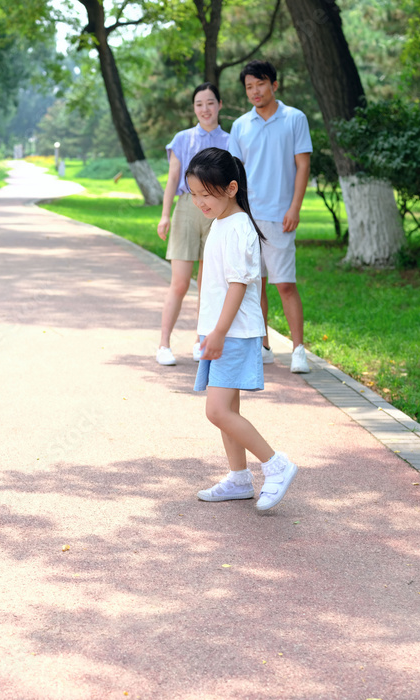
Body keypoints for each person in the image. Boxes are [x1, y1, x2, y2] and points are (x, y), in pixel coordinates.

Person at [187, 147, 298, 509]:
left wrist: (218, 332)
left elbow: (238, 285)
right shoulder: (220, 223)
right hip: (220, 329)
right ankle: (239, 478)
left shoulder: (238, 227)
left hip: (234, 332)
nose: (200, 202)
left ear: (231, 188)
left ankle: (276, 465)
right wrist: (207, 328)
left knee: (216, 411)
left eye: (206, 194)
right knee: (228, 409)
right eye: (194, 195)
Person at [228, 60, 312, 374]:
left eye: (260, 84)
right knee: (255, 286)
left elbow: (302, 165)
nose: (255, 91)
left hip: (280, 216)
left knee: (285, 285)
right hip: (248, 216)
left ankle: (299, 349)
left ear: (274, 85)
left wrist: (295, 208)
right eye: (249, 86)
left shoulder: (294, 118)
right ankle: (263, 347)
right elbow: (234, 171)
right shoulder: (240, 125)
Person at [155, 82, 230, 366]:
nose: (205, 109)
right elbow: (173, 179)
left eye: (210, 103)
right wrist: (165, 214)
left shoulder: (229, 141)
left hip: (218, 211)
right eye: (199, 104)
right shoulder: (182, 139)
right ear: (193, 108)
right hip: (187, 207)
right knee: (180, 282)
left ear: (219, 105)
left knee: (208, 283)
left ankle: (202, 342)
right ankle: (163, 344)